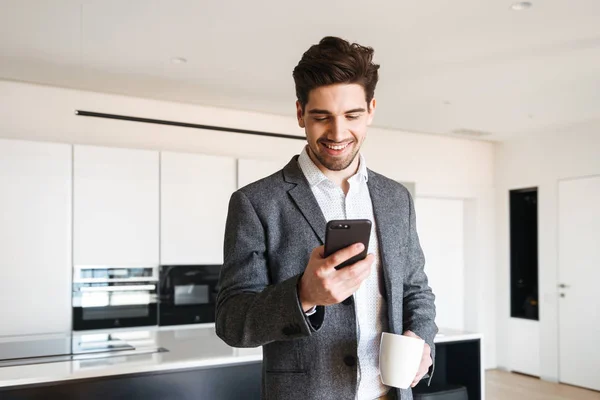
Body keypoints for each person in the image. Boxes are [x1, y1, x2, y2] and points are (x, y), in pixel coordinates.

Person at [216, 36, 437, 400]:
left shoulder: (397, 198)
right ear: (301, 113)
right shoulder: (255, 202)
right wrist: (303, 295)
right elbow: (231, 322)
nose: (337, 133)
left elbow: (416, 289)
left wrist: (422, 338)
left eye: (351, 115)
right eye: (321, 117)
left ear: (371, 110)